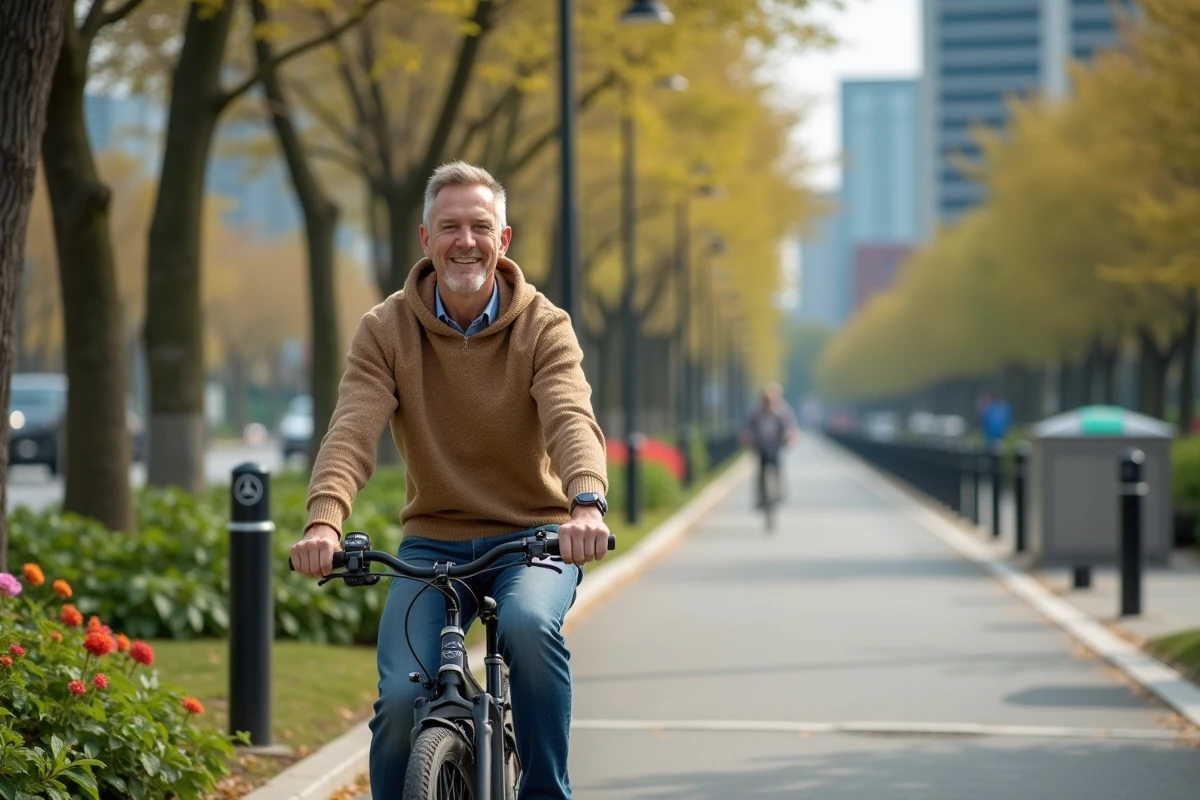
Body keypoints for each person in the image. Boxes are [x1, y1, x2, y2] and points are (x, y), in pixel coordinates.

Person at [289, 161, 610, 800]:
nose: (466, 240)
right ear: (426, 239)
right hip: (432, 546)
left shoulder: (544, 325)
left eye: (480, 226)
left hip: (535, 540)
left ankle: (546, 793)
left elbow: (570, 416)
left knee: (525, 626)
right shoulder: (386, 330)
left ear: (504, 239)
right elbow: (352, 429)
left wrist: (585, 503)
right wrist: (325, 518)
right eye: (450, 227)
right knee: (403, 700)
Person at [740, 382, 798, 509]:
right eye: (767, 400)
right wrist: (747, 436)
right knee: (760, 470)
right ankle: (760, 497)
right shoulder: (755, 412)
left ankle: (778, 492)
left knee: (777, 467)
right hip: (760, 444)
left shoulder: (783, 411)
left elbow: (790, 427)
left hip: (776, 444)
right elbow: (747, 426)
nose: (769, 402)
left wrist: (789, 436)